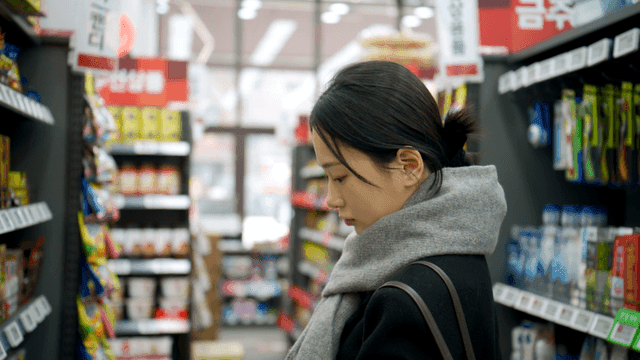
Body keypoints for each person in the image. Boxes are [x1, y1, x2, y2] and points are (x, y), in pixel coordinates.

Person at [284, 60, 507, 360]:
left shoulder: (402, 301)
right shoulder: (460, 252)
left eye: (339, 177)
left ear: (409, 166)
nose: (331, 199)